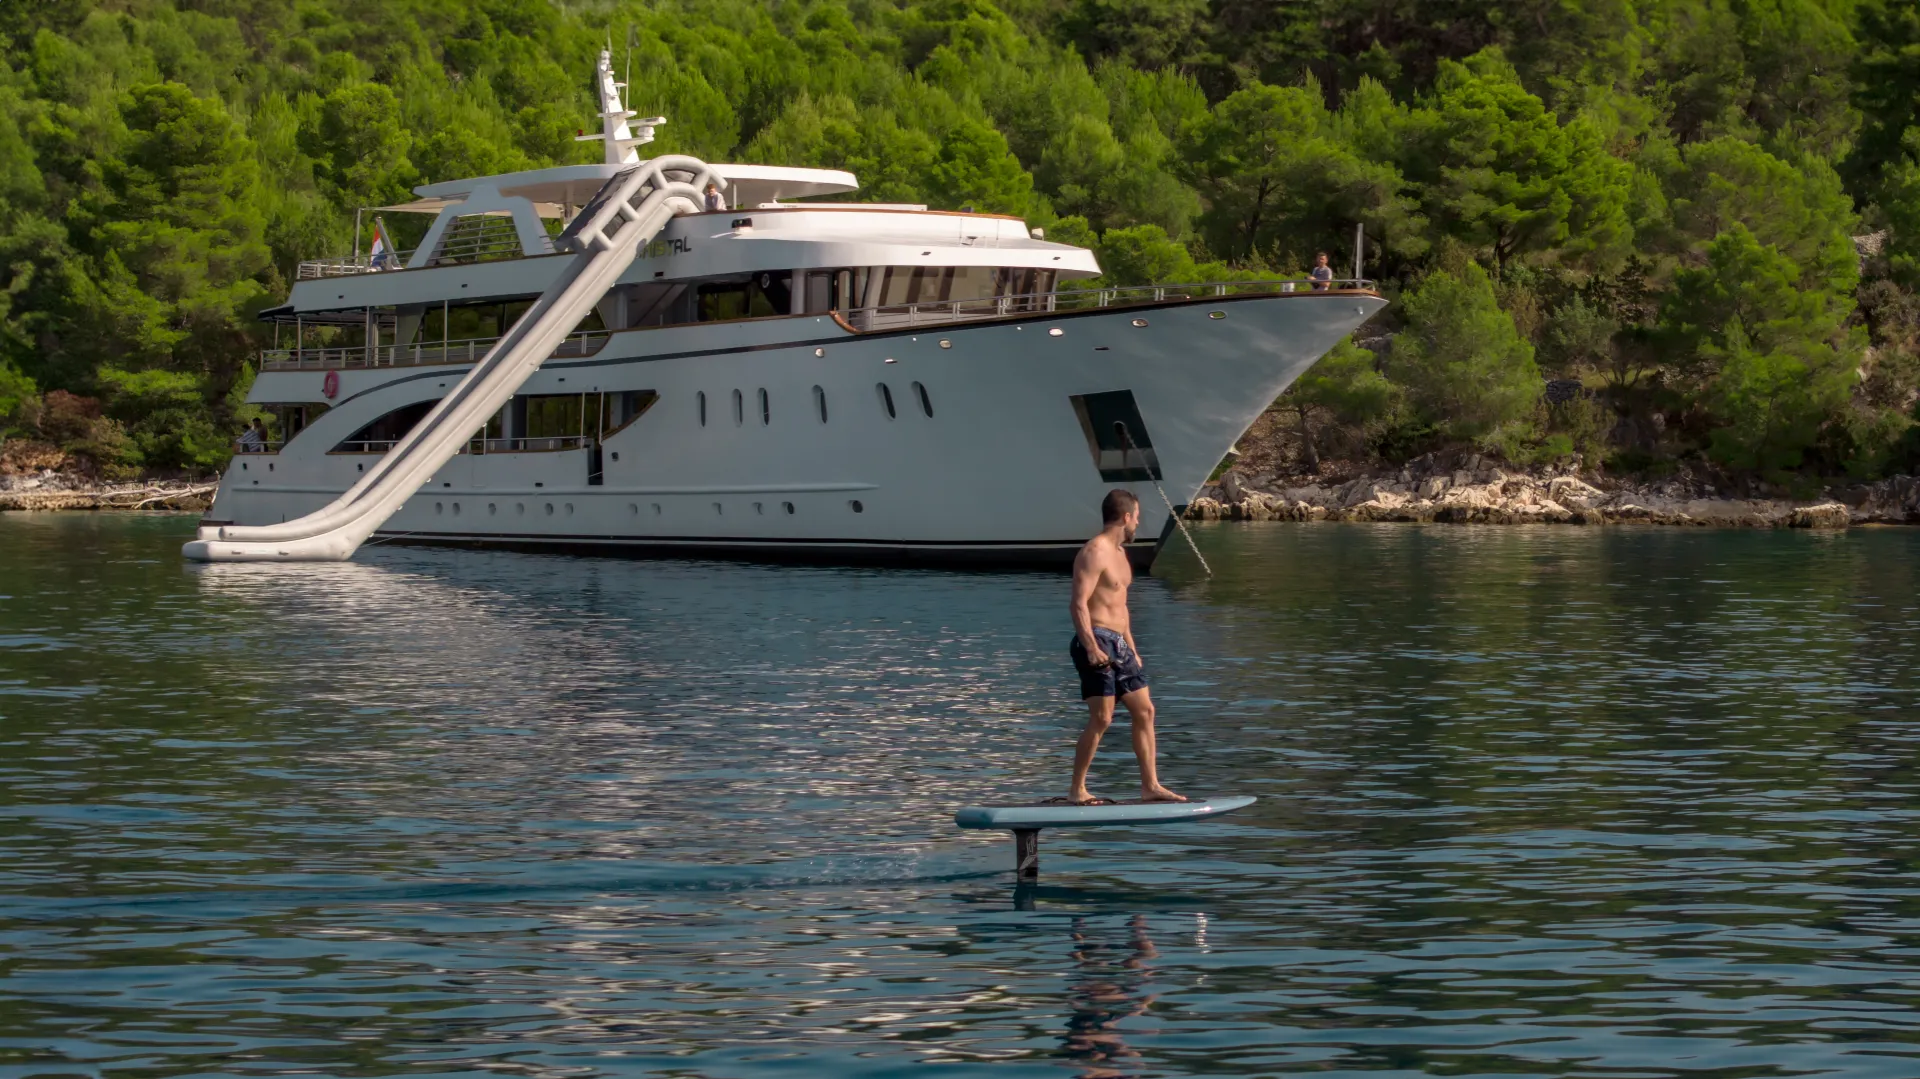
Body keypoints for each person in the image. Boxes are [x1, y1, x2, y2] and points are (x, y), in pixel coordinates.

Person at [1067, 489, 1186, 805]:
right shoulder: (1095, 552)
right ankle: (1077, 790)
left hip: (1120, 644)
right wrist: (1091, 647)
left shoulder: (1120, 554)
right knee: (1103, 718)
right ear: (1126, 516)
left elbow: (1121, 606)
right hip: (1096, 640)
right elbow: (1078, 604)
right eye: (1137, 517)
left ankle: (1151, 786)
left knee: (1145, 710)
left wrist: (1132, 647)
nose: (1138, 524)